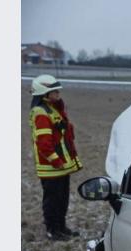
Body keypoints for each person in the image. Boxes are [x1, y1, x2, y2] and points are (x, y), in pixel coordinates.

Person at [29, 75, 83, 241]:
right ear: (44, 93)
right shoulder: (41, 113)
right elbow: (44, 143)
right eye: (54, 91)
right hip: (52, 167)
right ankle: (53, 230)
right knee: (52, 201)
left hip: (60, 166)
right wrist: (56, 160)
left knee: (62, 199)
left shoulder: (53, 109)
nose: (58, 93)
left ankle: (61, 227)